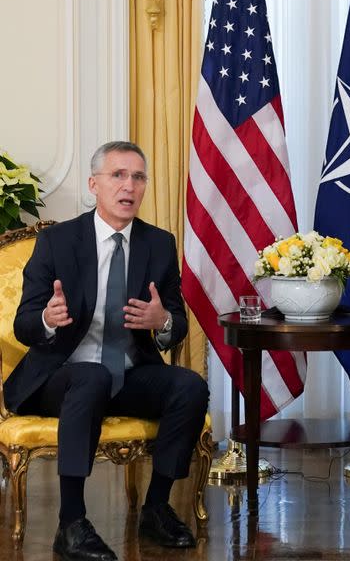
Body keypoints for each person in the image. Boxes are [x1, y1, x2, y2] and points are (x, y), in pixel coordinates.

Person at [5, 141, 209, 561]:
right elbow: (24, 323)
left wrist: (163, 322)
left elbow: (179, 325)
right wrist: (47, 317)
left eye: (138, 177)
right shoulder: (58, 242)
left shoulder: (158, 244)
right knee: (91, 377)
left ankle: (155, 507)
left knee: (189, 386)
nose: (128, 186)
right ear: (93, 184)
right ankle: (72, 523)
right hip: (60, 375)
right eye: (118, 175)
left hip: (129, 372)